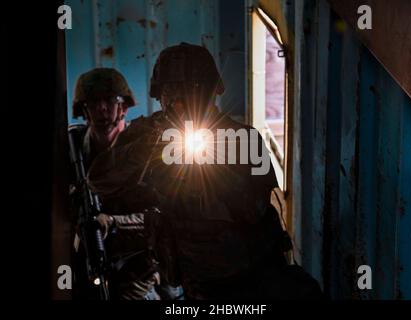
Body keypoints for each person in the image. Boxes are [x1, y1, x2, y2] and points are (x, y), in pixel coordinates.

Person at [88, 43, 323, 299]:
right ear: (160, 94)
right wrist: (144, 152)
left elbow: (254, 208)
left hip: (252, 271)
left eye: (193, 90)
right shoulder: (149, 134)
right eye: (171, 91)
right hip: (196, 277)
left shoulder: (242, 138)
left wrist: (210, 168)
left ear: (211, 92)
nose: (179, 101)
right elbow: (99, 179)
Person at [69, 67, 165, 300]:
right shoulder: (73, 148)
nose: (102, 108)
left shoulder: (144, 149)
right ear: (84, 109)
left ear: (124, 107)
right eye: (93, 102)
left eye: (110, 100)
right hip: (88, 265)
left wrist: (113, 223)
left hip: (139, 267)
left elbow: (164, 217)